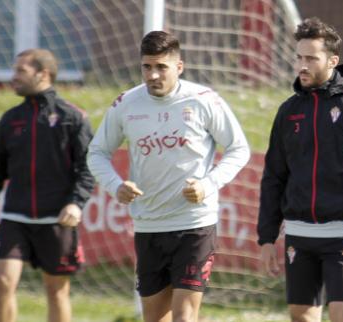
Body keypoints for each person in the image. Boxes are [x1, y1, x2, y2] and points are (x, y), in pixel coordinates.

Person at [87, 30, 250, 322]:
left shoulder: (203, 100)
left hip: (194, 223)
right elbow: (97, 152)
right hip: (148, 224)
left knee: (184, 316)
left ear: (179, 67)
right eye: (147, 67)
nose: (153, 75)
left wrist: (207, 184)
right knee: (154, 318)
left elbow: (239, 149)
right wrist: (115, 186)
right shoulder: (126, 104)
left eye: (161, 67)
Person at [257, 17, 343, 322]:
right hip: (298, 234)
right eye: (298, 57)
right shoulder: (288, 110)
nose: (302, 66)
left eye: (311, 58)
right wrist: (266, 238)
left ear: (332, 61)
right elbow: (274, 176)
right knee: (302, 317)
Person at [0, 48, 95, 322]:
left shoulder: (73, 117)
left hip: (57, 220)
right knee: (3, 282)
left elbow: (88, 168)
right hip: (15, 216)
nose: (13, 77)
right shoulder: (10, 119)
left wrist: (76, 202)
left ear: (43, 74)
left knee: (56, 291)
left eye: (20, 71)